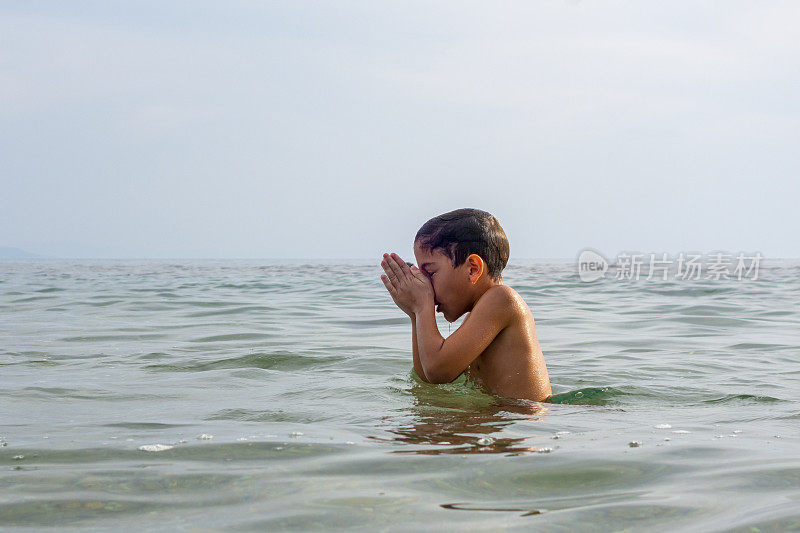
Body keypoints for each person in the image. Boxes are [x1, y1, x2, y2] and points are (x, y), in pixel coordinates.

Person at [380, 208, 552, 402]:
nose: (426, 285)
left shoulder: (502, 300)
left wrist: (422, 306)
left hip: (525, 421)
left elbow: (438, 371)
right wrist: (415, 314)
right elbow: (427, 379)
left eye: (431, 273)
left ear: (473, 269)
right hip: (504, 419)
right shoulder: (477, 315)